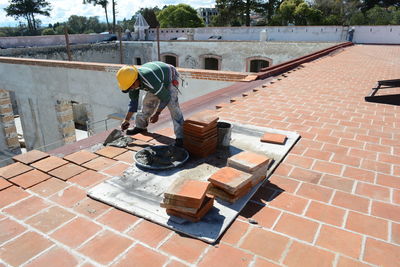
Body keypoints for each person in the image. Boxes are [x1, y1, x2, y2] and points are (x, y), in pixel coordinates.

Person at [116, 61, 184, 147]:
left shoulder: (149, 80)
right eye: (129, 87)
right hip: (156, 81)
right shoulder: (131, 82)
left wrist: (157, 114)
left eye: (132, 86)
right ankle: (140, 126)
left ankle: (180, 137)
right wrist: (126, 120)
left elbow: (166, 97)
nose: (132, 88)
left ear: (136, 79)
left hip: (170, 77)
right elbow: (133, 102)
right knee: (147, 102)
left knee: (172, 105)